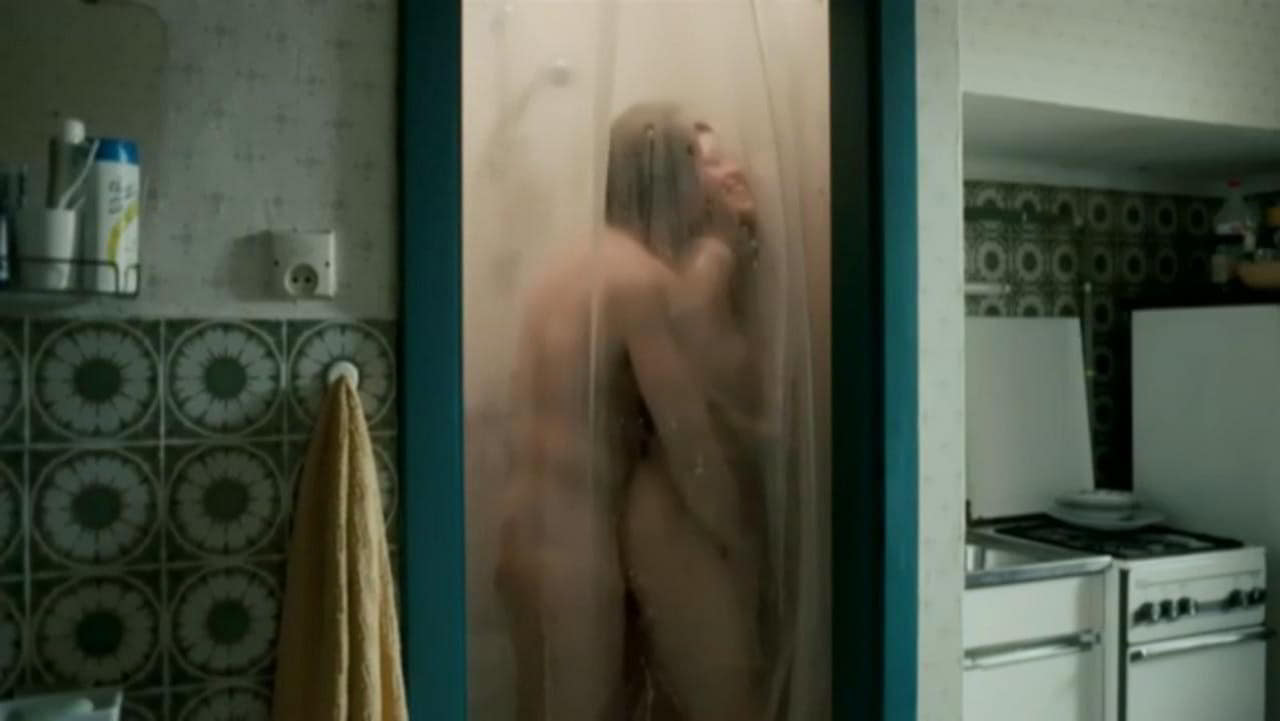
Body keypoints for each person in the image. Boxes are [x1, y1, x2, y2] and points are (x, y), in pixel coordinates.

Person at [495, 102, 773, 721]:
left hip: (521, 541)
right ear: (671, 177)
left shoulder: (567, 268)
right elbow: (690, 444)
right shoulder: (639, 280)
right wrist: (740, 540)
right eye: (699, 165)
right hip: (575, 554)